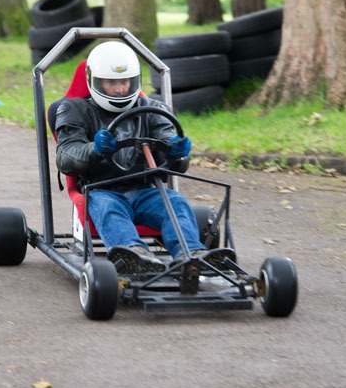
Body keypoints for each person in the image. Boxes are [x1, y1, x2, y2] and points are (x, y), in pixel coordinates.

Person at [54, 41, 235, 274]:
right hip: (101, 191)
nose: (120, 89)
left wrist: (176, 152)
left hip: (146, 191)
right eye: (111, 83)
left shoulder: (151, 108)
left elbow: (170, 146)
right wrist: (94, 150)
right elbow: (66, 157)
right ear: (94, 80)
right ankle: (134, 254)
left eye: (124, 81)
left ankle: (192, 255)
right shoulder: (74, 109)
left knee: (175, 201)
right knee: (109, 208)